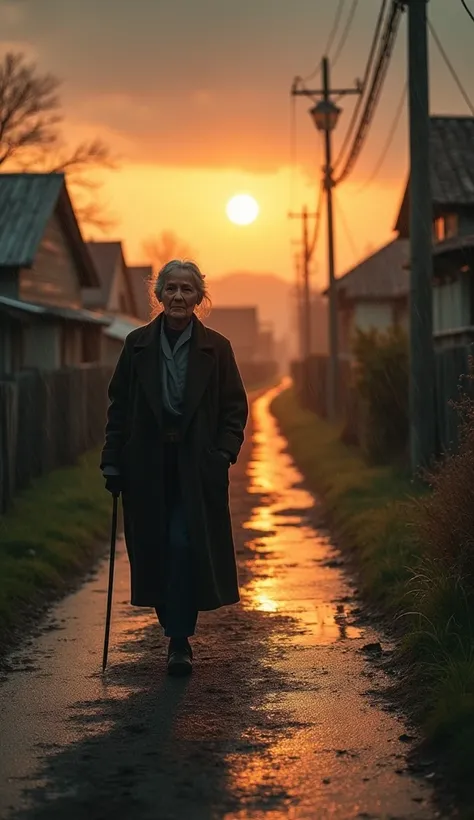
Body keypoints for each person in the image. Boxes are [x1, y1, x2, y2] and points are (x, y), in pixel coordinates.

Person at [101, 259, 248, 676]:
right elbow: (120, 407)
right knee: (156, 548)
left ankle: (179, 641)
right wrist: (113, 460)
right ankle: (173, 622)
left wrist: (222, 453)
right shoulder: (136, 345)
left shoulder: (217, 348)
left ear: (199, 298)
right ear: (159, 295)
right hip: (146, 464)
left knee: (184, 545)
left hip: (196, 466)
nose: (179, 297)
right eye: (171, 289)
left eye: (187, 289)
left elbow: (234, 409)